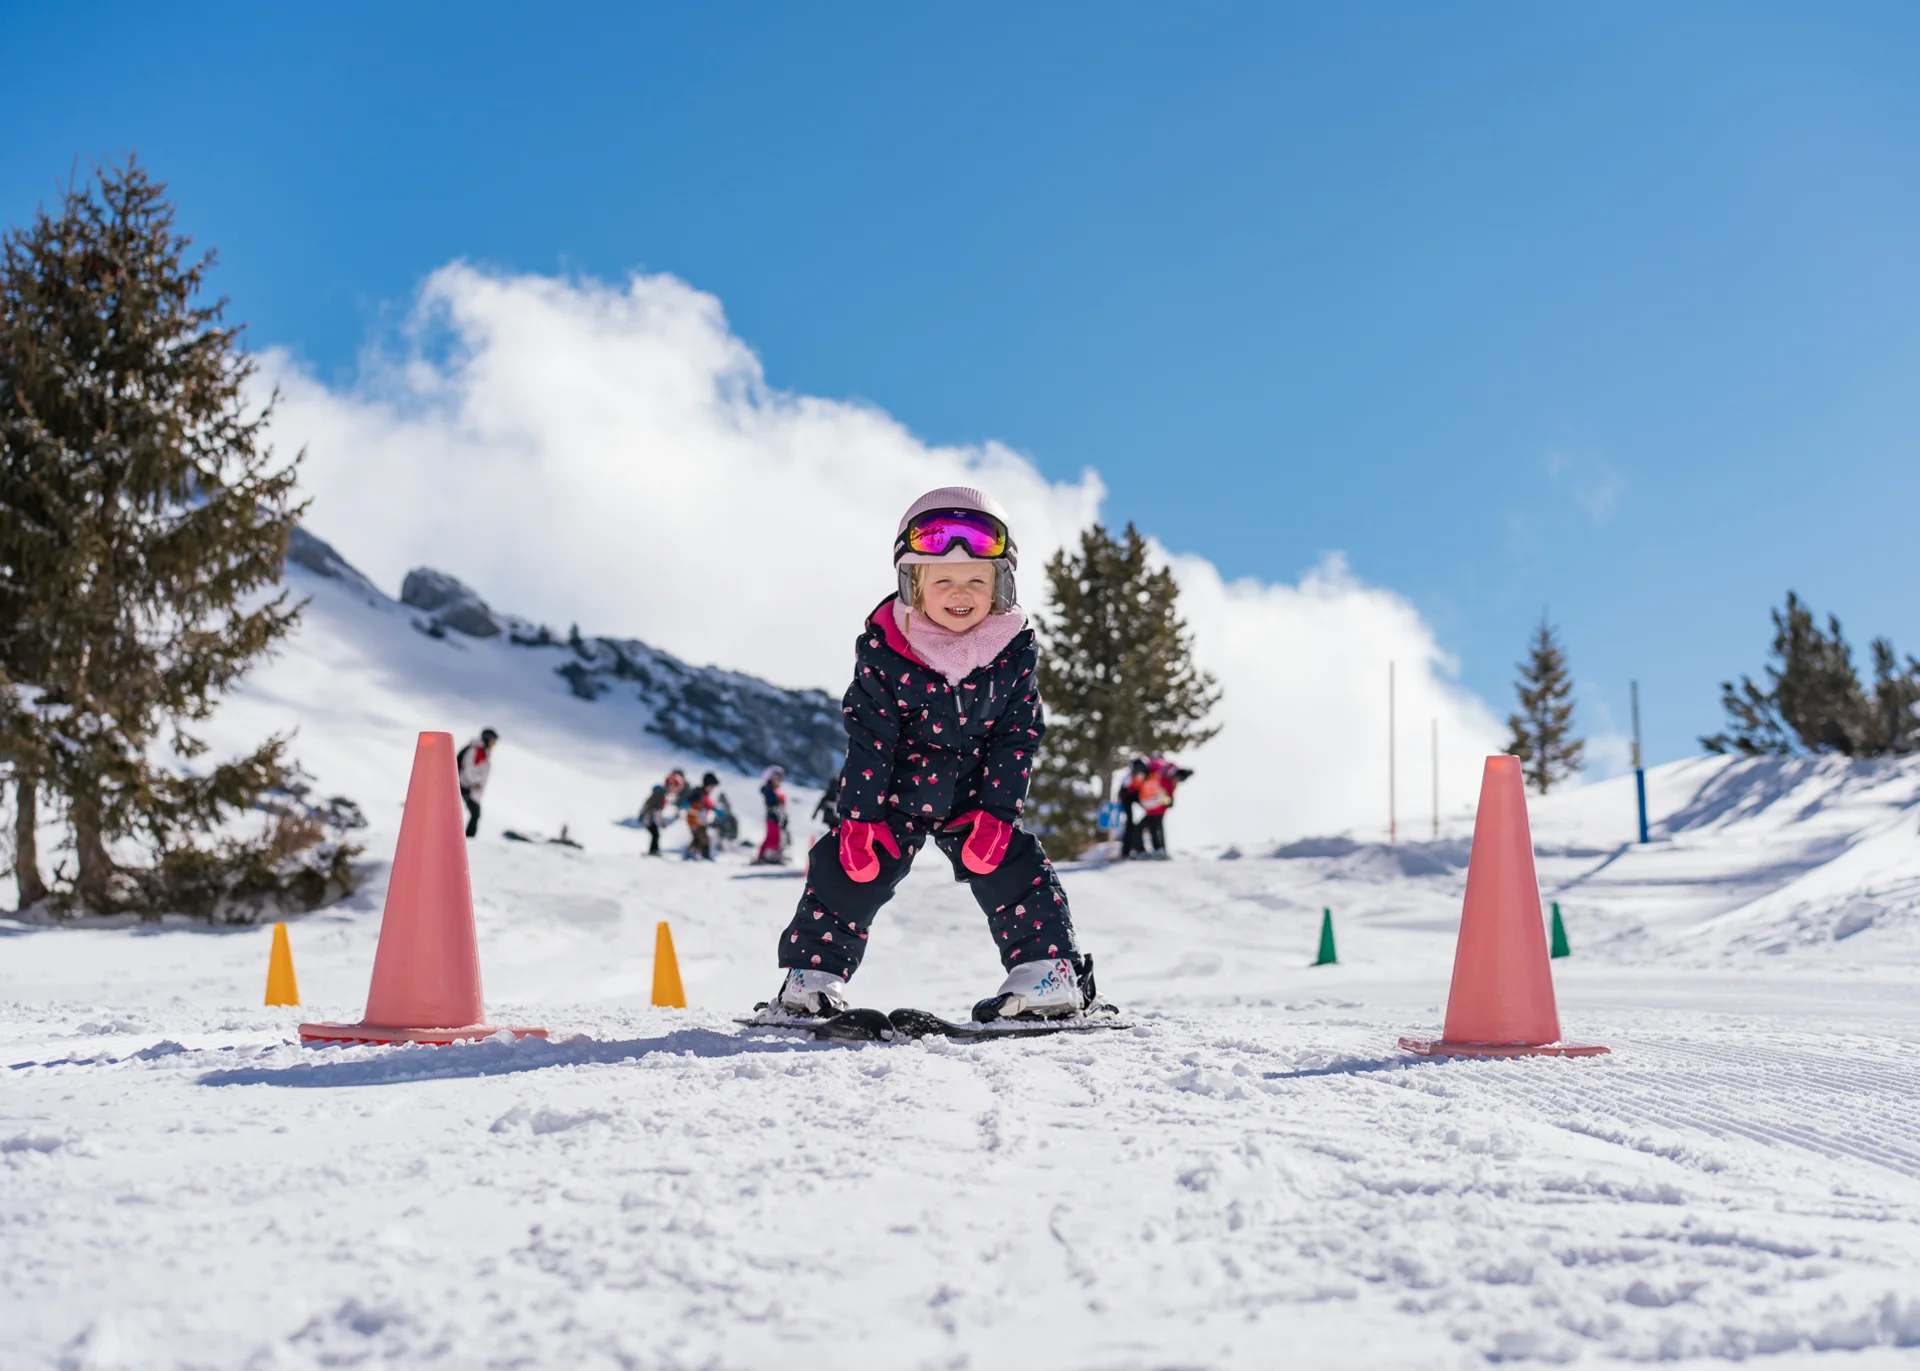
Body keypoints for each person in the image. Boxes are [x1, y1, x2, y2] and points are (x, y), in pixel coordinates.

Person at [766, 486, 1102, 1024]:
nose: (960, 592)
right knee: (850, 869)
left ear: (1001, 585)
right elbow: (870, 737)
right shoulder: (887, 648)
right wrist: (859, 818)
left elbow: (1017, 735)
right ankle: (810, 978)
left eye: (976, 579)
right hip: (897, 790)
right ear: (913, 586)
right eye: (941, 579)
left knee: (1013, 863)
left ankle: (1048, 973)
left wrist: (998, 813)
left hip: (973, 793)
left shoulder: (1012, 650)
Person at [1135, 758, 1194, 859]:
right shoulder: (1164, 777)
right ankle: (1155, 850)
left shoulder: (1167, 781)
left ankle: (1158, 850)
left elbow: (1166, 799)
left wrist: (1165, 801)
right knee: (1151, 829)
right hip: (1153, 809)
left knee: (1153, 829)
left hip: (1157, 810)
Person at [456, 729, 498, 839]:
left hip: (470, 788)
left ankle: (468, 838)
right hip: (464, 785)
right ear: (488, 738)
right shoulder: (475, 750)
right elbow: (467, 768)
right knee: (475, 813)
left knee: (475, 813)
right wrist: (475, 783)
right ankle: (468, 839)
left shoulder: (484, 752)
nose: (494, 744)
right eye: (493, 740)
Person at [639, 770, 685, 857]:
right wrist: (661, 821)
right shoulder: (661, 794)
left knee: (655, 834)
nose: (676, 791)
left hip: (650, 817)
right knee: (655, 834)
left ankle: (654, 850)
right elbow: (655, 810)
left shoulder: (664, 794)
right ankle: (653, 851)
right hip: (649, 817)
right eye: (676, 787)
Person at [754, 765, 789, 864]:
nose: (779, 780)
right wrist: (777, 812)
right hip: (773, 818)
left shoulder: (774, 791)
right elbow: (772, 805)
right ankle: (763, 857)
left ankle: (772, 856)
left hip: (776, 817)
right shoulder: (770, 791)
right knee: (771, 838)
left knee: (776, 838)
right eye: (778, 778)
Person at [682, 771, 719, 861]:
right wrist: (687, 805)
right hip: (694, 820)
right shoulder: (697, 792)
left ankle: (704, 856)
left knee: (703, 838)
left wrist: (715, 809)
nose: (713, 789)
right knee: (699, 838)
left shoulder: (705, 794)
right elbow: (688, 801)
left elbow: (708, 804)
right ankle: (691, 854)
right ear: (707, 784)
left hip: (701, 820)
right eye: (712, 787)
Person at [1116, 758, 1149, 858]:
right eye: (1138, 773)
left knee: (1149, 817)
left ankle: (1139, 848)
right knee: (1129, 823)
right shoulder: (1127, 778)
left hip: (1136, 795)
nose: (1140, 776)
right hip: (1126, 797)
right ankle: (1126, 851)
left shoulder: (1144, 778)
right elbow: (1122, 794)